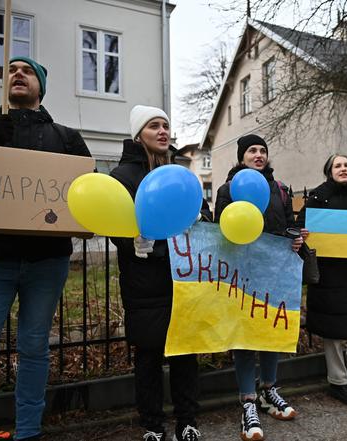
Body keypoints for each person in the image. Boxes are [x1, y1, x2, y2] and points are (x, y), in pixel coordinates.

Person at [0, 57, 92, 441]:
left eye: (26, 71)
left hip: (46, 263)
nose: (17, 74)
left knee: (34, 348)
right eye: (10, 70)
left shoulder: (66, 137)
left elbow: (87, 192)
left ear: (40, 86)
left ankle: (28, 431)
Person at [110, 105, 211, 441]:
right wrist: (130, 242)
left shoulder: (180, 174)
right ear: (139, 134)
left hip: (181, 279)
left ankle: (187, 420)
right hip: (143, 281)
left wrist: (201, 221)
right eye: (154, 126)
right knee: (148, 356)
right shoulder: (123, 177)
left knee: (185, 352)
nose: (163, 131)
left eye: (166, 125)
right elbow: (112, 220)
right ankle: (152, 424)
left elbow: (202, 213)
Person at [214, 134, 303, 441]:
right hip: (241, 272)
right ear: (241, 157)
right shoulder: (228, 189)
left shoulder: (279, 189)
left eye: (262, 150)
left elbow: (288, 225)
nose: (258, 154)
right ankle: (248, 401)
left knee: (271, 331)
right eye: (252, 150)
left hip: (274, 271)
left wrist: (296, 239)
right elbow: (218, 230)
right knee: (243, 335)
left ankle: (269, 390)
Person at [295, 154, 347, 408]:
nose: (343, 169)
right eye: (338, 165)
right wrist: (303, 234)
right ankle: (338, 382)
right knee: (333, 331)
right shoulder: (317, 199)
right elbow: (300, 231)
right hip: (330, 274)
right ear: (329, 171)